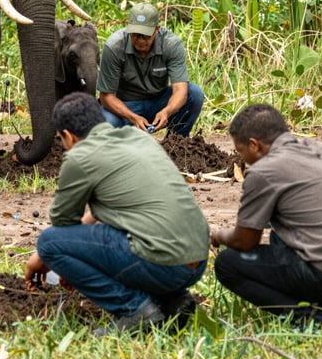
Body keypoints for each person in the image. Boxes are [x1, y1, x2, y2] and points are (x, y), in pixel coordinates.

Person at [24, 92, 210, 333]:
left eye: (61, 139)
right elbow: (120, 207)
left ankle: (135, 310)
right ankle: (172, 301)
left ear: (68, 137)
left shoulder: (79, 156)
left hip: (164, 263)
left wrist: (42, 256)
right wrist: (78, 253)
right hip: (197, 259)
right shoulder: (138, 138)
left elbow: (63, 226)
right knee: (124, 234)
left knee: (49, 242)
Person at [211, 103, 322, 327]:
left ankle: (316, 320)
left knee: (227, 264)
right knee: (280, 231)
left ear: (254, 145)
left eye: (242, 152)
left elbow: (245, 241)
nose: (244, 160)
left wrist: (217, 235)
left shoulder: (264, 171)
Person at [97, 2, 203, 137]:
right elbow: (106, 97)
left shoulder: (171, 44)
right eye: (135, 34)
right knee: (104, 127)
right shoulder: (114, 47)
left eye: (145, 35)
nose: (140, 40)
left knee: (194, 94)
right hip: (125, 105)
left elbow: (180, 91)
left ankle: (176, 143)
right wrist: (132, 117)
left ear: (157, 29)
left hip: (158, 101)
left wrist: (166, 112)